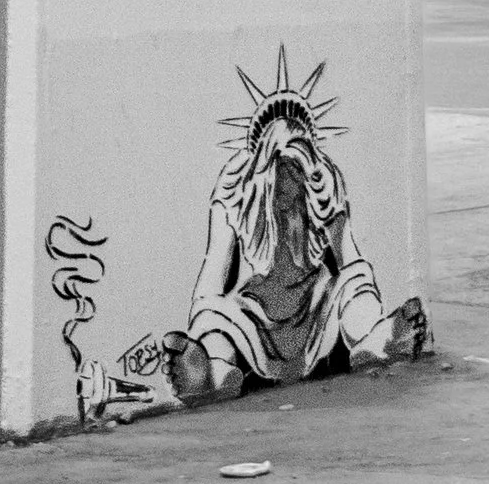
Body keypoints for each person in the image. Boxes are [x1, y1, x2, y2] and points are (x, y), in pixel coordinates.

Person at [165, 50, 429, 402]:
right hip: (250, 321)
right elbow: (212, 282)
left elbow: (350, 265)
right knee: (217, 315)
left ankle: (375, 340)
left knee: (349, 291)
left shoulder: (324, 180)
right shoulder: (233, 186)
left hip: (319, 309)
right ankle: (211, 371)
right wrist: (206, 325)